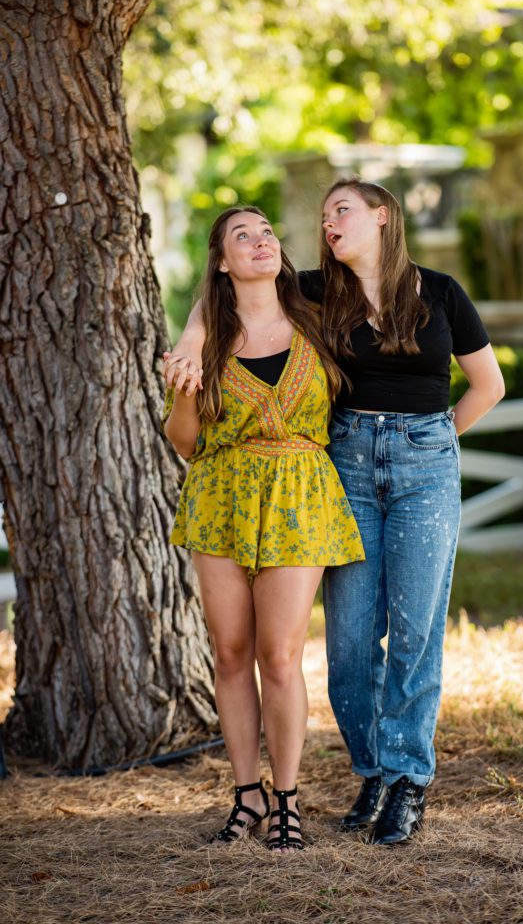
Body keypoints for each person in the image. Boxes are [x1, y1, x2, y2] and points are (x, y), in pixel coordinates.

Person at [165, 179, 504, 846]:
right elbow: (223, 302)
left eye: (339, 210)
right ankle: (371, 769)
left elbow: (487, 383)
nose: (326, 224)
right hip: (341, 464)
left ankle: (406, 778)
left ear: (382, 216)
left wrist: (433, 445)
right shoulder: (317, 291)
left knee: (412, 631)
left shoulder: (439, 292)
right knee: (348, 641)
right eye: (321, 217)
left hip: (416, 466)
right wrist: (187, 348)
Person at [162, 205, 364, 853]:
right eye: (241, 237)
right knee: (229, 652)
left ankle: (287, 798)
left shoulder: (316, 310)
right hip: (219, 495)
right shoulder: (208, 336)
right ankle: (245, 794)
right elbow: (186, 443)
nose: (260, 242)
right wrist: (187, 382)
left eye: (268, 231)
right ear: (221, 260)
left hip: (301, 494)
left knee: (279, 655)